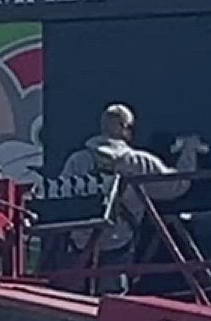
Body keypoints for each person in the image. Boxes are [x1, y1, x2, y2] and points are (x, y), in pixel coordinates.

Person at [57, 103, 202, 291]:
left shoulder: (77, 161)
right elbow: (176, 186)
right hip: (119, 242)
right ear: (125, 129)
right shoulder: (138, 162)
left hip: (80, 243)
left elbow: (61, 197)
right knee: (113, 302)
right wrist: (189, 152)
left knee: (75, 299)